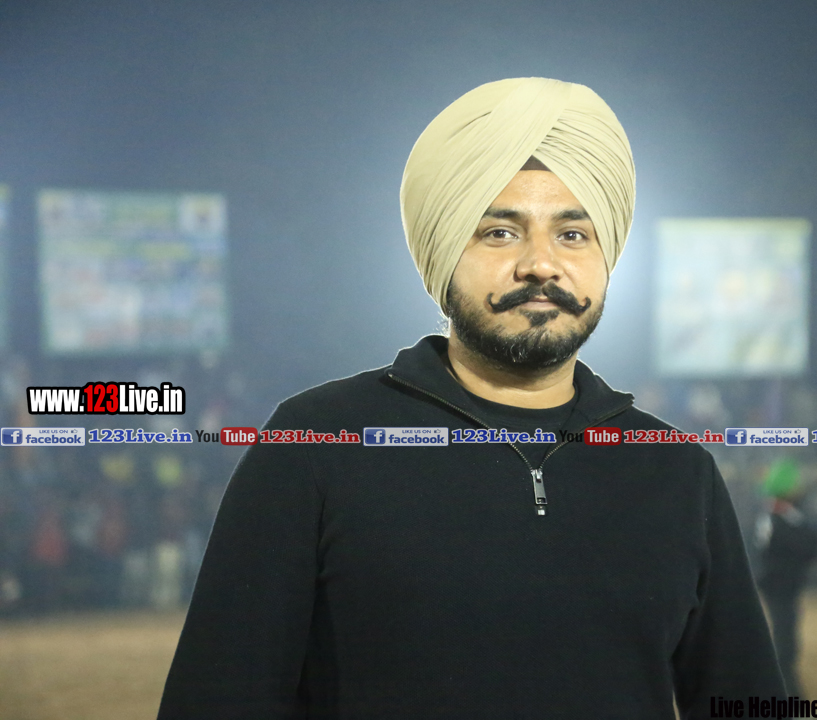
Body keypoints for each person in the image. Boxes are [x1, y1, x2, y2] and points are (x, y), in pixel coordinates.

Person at [157, 77, 784, 719]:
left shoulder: (676, 470)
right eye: (500, 232)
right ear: (443, 252)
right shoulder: (316, 444)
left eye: (572, 234)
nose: (541, 264)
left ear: (607, 256)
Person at [755, 458, 817, 697]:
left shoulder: (781, 515)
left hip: (785, 585)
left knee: (786, 639)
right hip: (779, 586)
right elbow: (808, 542)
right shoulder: (777, 515)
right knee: (785, 642)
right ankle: (787, 693)